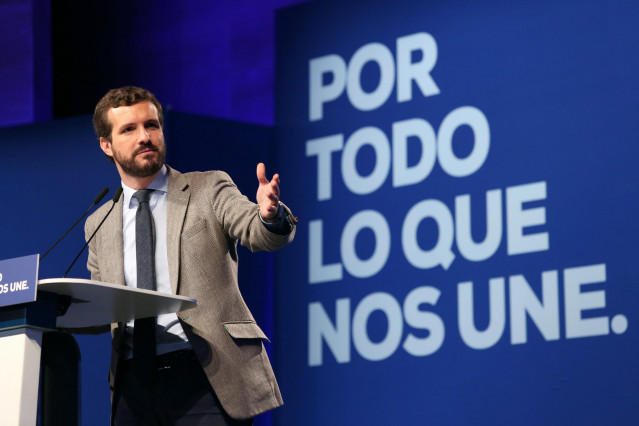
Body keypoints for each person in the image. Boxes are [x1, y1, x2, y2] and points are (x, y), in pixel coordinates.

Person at [85, 86, 296, 425]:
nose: (145, 137)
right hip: (133, 386)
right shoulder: (100, 222)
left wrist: (269, 215)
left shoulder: (208, 189)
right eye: (129, 129)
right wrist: (54, 307)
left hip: (206, 374)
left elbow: (258, 234)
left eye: (151, 125)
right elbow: (102, 308)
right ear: (106, 145)